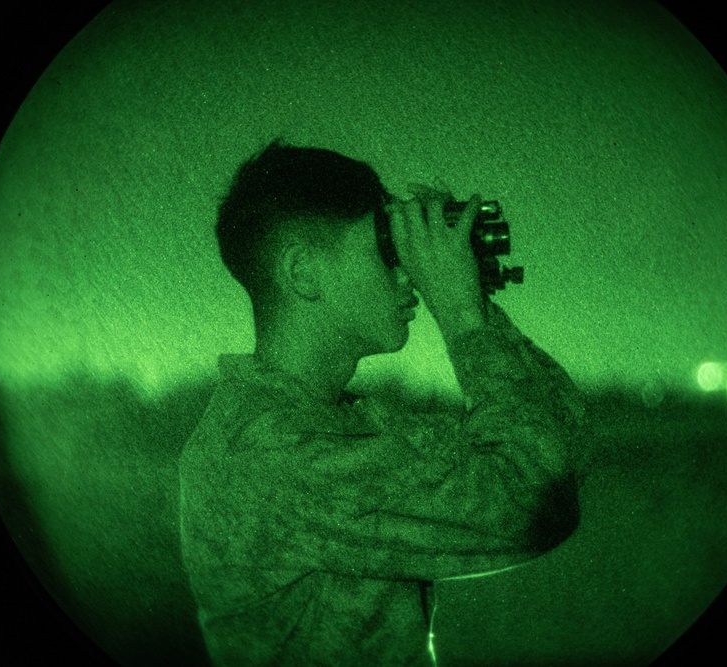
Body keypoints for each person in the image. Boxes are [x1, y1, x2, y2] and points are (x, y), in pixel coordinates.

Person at [178, 139, 587, 666]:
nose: (408, 273)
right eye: (387, 250)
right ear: (303, 272)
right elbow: (531, 503)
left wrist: (477, 305)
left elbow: (563, 448)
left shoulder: (346, 422)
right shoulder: (268, 453)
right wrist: (461, 314)